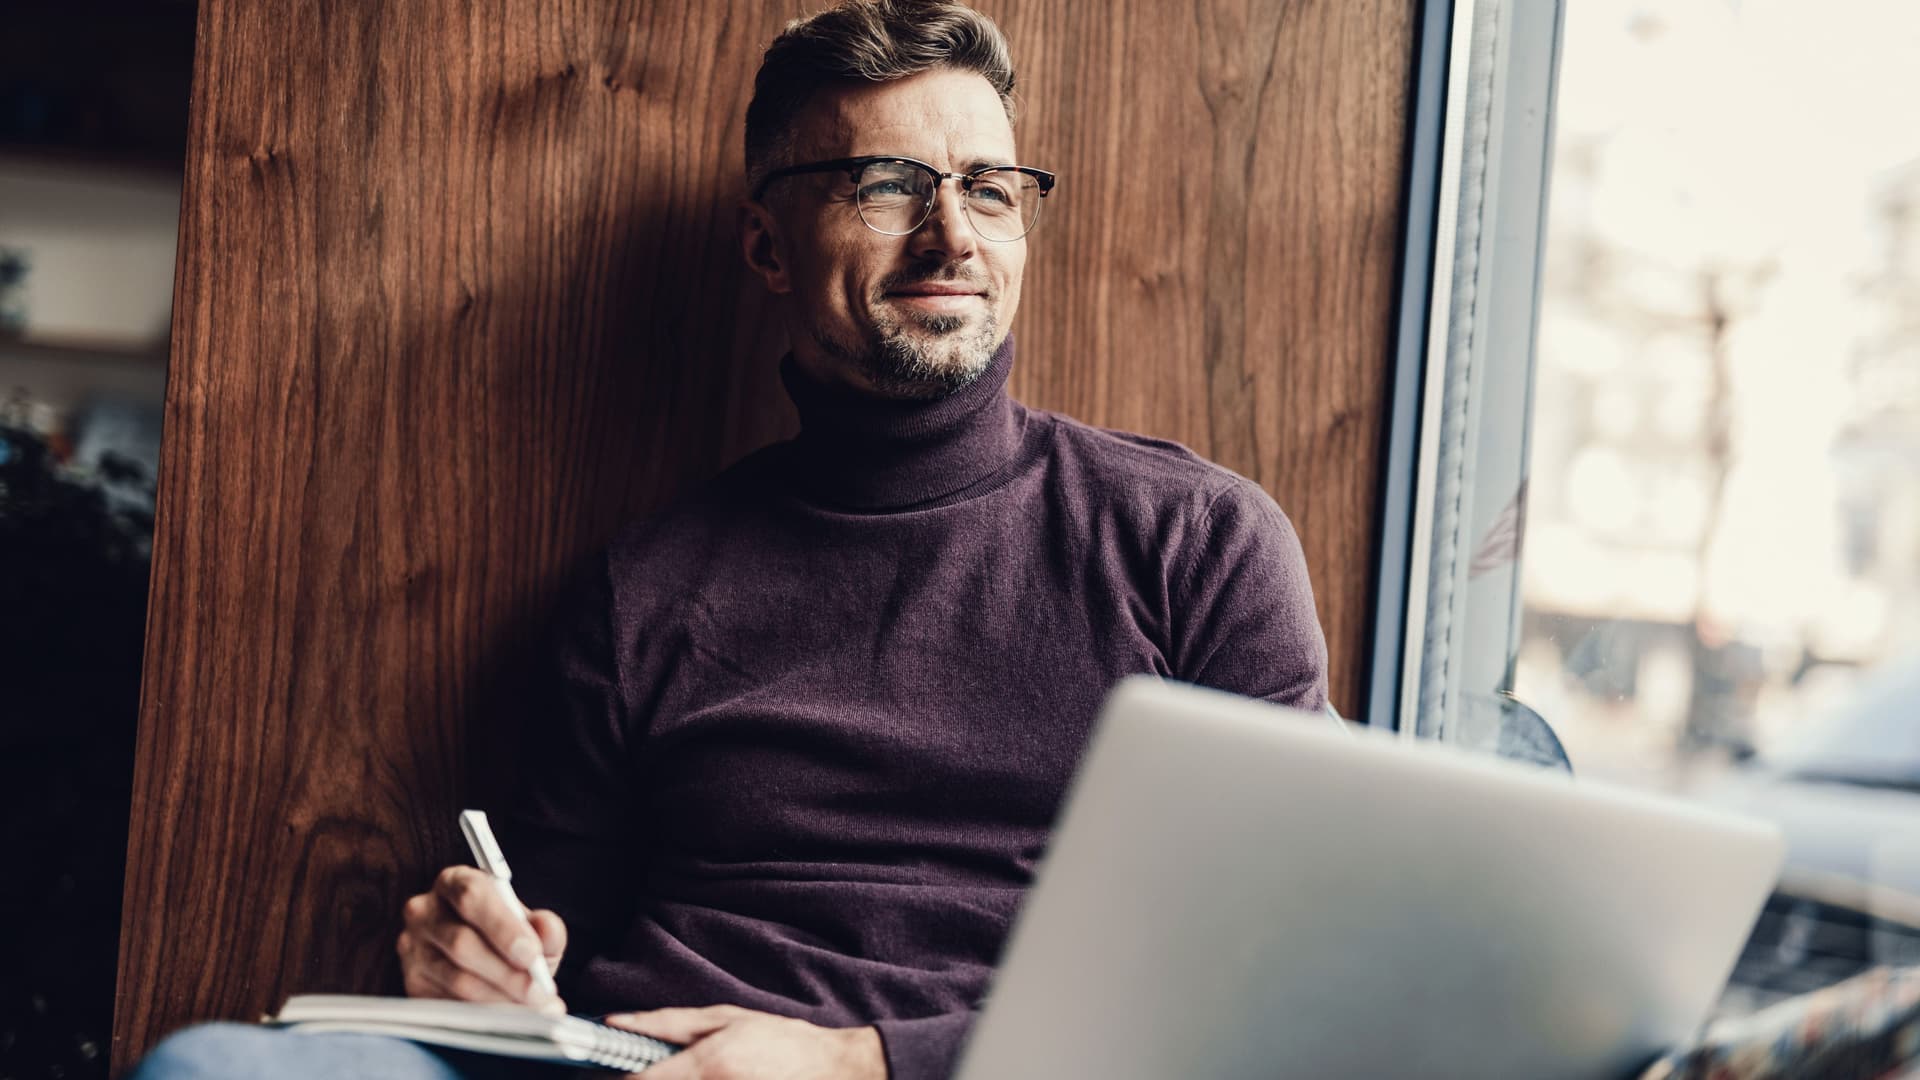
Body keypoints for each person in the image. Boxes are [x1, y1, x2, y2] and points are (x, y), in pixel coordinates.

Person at [131, 1, 1327, 1077]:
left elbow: (1287, 959)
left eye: (991, 189)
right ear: (767, 246)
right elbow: (553, 933)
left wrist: (864, 1062)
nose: (951, 235)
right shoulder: (645, 587)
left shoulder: (1196, 545)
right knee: (211, 1072)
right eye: (889, 183)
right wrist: (477, 960)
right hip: (630, 1066)